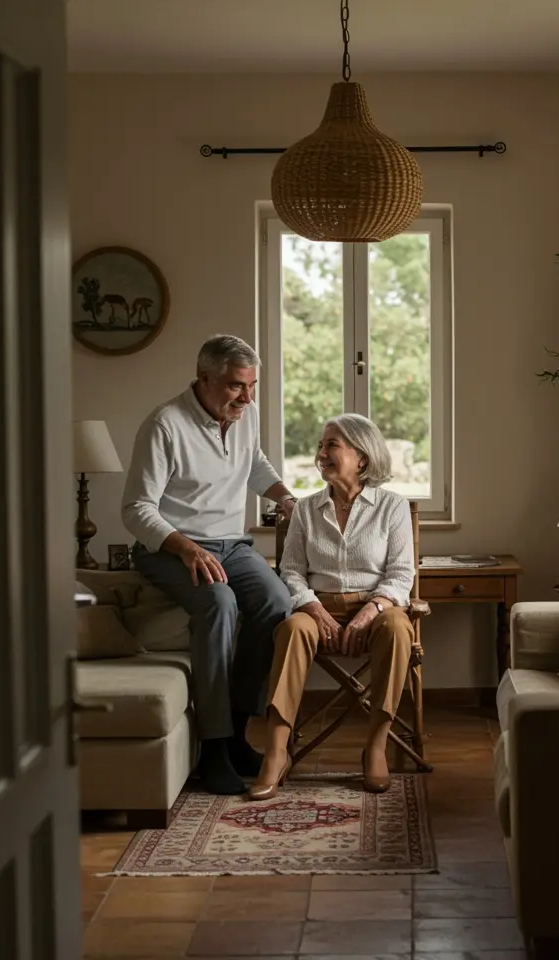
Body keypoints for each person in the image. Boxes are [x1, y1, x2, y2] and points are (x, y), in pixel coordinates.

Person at [121, 334, 297, 795]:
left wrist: (286, 497)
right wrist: (185, 547)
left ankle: (238, 729)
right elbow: (137, 509)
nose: (248, 397)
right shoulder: (164, 425)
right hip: (170, 548)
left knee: (277, 601)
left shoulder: (246, 415)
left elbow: (254, 464)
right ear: (204, 378)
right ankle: (214, 746)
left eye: (252, 386)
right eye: (238, 386)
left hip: (232, 545)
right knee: (219, 603)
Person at [248, 414, 415, 800]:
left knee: (398, 628)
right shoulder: (305, 509)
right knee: (290, 631)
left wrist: (369, 612)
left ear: (361, 456)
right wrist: (314, 610)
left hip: (374, 608)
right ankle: (275, 752)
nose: (321, 454)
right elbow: (290, 572)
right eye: (321, 446)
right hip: (316, 607)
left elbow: (401, 575)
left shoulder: (393, 507)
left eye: (331, 445)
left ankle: (375, 746)